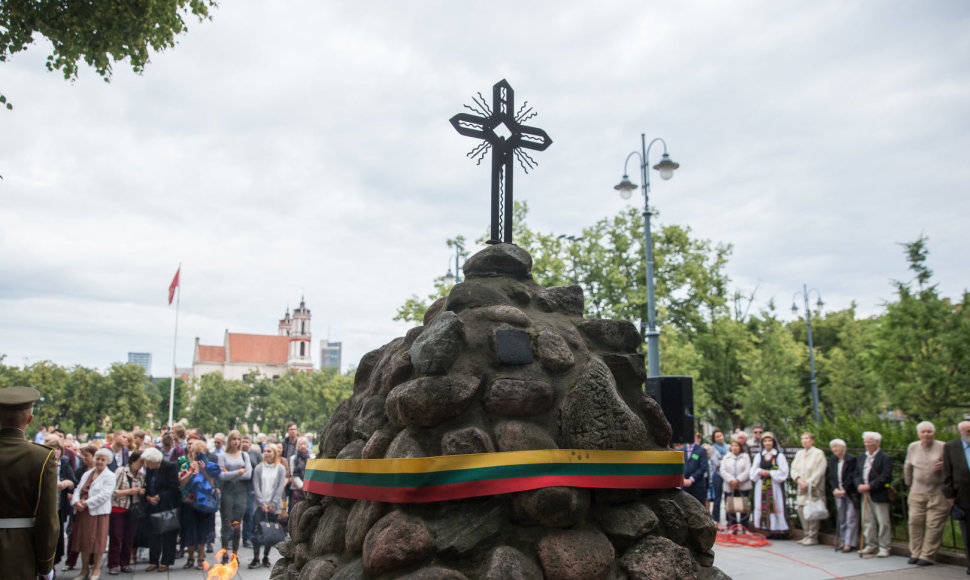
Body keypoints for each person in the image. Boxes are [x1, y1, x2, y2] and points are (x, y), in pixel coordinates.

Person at [0, 386, 59, 580]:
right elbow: (48, 519)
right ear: (29, 420)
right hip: (20, 552)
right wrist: (46, 564)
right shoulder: (41, 457)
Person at [904, 421, 947, 566]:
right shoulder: (913, 446)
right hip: (917, 491)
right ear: (918, 434)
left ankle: (927, 555)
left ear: (934, 433)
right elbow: (908, 466)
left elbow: (953, 465)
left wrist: (945, 466)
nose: (926, 434)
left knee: (934, 524)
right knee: (915, 522)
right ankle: (915, 553)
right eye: (923, 432)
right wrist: (909, 483)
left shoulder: (944, 446)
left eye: (929, 431)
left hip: (938, 492)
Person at [71, 447, 115, 580]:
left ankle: (96, 569)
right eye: (98, 458)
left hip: (98, 513)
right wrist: (76, 502)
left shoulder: (110, 476)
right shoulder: (87, 473)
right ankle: (84, 570)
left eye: (103, 459)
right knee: (84, 541)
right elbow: (78, 488)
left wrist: (86, 503)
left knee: (97, 542)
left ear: (107, 461)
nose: (100, 461)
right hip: (83, 513)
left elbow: (105, 495)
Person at [178, 440, 218, 570]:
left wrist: (203, 470)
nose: (198, 455)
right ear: (191, 453)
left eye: (201, 453)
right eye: (196, 453)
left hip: (204, 503)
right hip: (189, 502)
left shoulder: (209, 466)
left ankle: (201, 558)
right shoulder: (185, 465)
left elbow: (212, 484)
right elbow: (181, 483)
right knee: (190, 531)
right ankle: (190, 558)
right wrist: (192, 471)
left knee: (202, 531)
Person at [107, 449, 146, 574]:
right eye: (140, 462)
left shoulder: (141, 475)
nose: (142, 465)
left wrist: (141, 492)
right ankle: (113, 564)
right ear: (133, 460)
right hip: (119, 507)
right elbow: (113, 492)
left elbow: (142, 490)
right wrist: (129, 491)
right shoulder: (121, 471)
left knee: (129, 537)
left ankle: (125, 562)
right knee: (116, 536)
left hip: (133, 509)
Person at [856, 431, 893, 558]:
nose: (867, 444)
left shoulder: (885, 457)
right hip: (864, 493)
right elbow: (857, 473)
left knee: (883, 521)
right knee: (867, 521)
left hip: (878, 493)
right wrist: (859, 485)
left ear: (877, 443)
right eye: (865, 442)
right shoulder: (862, 456)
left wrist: (870, 486)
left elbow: (885, 477)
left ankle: (884, 547)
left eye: (869, 442)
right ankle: (870, 544)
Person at [143, 446, 181, 571]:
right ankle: (153, 560)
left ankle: (166, 561)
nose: (147, 465)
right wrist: (148, 496)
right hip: (152, 505)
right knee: (154, 533)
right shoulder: (150, 470)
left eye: (148, 462)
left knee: (168, 534)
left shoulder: (169, 467)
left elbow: (174, 487)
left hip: (166, 505)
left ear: (155, 461)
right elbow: (147, 485)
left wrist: (159, 497)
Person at [218, 429, 252, 562]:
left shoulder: (244, 455)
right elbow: (221, 475)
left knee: (237, 524)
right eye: (233, 439)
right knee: (226, 522)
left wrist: (230, 473)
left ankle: (235, 553)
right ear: (229, 440)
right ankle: (225, 551)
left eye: (238, 439)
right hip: (227, 491)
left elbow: (248, 474)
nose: (236, 442)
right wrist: (238, 472)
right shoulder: (223, 455)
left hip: (241, 491)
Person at [250, 445, 287, 569]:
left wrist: (273, 504)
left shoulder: (280, 468)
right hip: (260, 506)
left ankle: (266, 556)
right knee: (257, 530)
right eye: (264, 451)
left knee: (269, 531)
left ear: (275, 453)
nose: (266, 453)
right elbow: (256, 486)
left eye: (269, 451)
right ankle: (256, 556)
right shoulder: (258, 468)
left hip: (273, 506)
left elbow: (280, 487)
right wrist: (262, 503)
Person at [942, 421, 970, 576]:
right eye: (967, 431)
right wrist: (950, 495)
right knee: (968, 533)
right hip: (964, 496)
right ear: (960, 432)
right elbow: (946, 473)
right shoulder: (951, 447)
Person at [790, 432, 827, 545]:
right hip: (801, 486)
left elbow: (820, 471)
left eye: (807, 438)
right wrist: (799, 481)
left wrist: (809, 483)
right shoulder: (799, 454)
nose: (804, 441)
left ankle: (813, 535)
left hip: (813, 487)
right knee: (800, 508)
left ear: (812, 440)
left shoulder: (818, 453)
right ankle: (806, 534)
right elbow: (793, 469)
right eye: (802, 439)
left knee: (813, 510)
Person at [750, 432, 789, 537]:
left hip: (774, 484)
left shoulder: (779, 456)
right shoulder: (759, 456)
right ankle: (762, 527)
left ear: (773, 442)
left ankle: (776, 528)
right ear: (762, 443)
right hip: (761, 484)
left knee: (775, 504)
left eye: (770, 441)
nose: (767, 443)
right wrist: (759, 471)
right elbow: (752, 472)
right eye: (765, 441)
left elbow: (784, 472)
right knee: (760, 504)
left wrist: (770, 473)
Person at [828, 438, 859, 553]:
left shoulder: (851, 459)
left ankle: (850, 543)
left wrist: (844, 490)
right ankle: (843, 539)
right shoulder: (833, 459)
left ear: (843, 447)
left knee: (851, 517)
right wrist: (835, 488)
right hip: (838, 492)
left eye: (836, 447)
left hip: (850, 492)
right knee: (841, 517)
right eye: (833, 447)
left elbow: (852, 476)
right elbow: (832, 476)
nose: (834, 449)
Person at [719, 439, 752, 530]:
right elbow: (723, 470)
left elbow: (748, 470)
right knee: (731, 507)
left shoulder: (745, 457)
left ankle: (744, 526)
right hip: (730, 486)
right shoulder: (726, 457)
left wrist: (738, 480)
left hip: (743, 485)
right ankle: (732, 526)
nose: (735, 448)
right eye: (733, 446)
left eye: (737, 446)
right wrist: (731, 480)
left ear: (740, 447)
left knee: (744, 507)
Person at [241, 436, 263, 548]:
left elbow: (260, 470)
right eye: (243, 441)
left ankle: (247, 537)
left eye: (247, 442)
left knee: (249, 514)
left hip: (251, 488)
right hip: (239, 488)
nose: (244, 444)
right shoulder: (238, 454)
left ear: (250, 443)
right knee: (237, 514)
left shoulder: (256, 454)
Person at [681, 433, 710, 506]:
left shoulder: (701, 450)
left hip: (697, 485)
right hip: (684, 484)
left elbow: (703, 467)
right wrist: (683, 479)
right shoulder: (681, 450)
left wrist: (692, 479)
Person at [709, 429, 727, 524]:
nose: (719, 438)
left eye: (721, 436)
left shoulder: (728, 447)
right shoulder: (713, 448)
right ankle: (717, 519)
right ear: (714, 439)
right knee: (718, 497)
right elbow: (715, 462)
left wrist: (722, 460)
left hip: (728, 473)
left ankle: (729, 520)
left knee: (728, 497)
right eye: (717, 437)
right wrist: (725, 461)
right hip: (717, 474)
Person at [289, 436, 311, 507]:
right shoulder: (292, 459)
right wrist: (302, 486)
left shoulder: (312, 458)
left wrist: (308, 486)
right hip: (297, 489)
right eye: (300, 444)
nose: (302, 446)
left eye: (304, 444)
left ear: (307, 445)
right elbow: (293, 474)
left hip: (310, 489)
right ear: (297, 446)